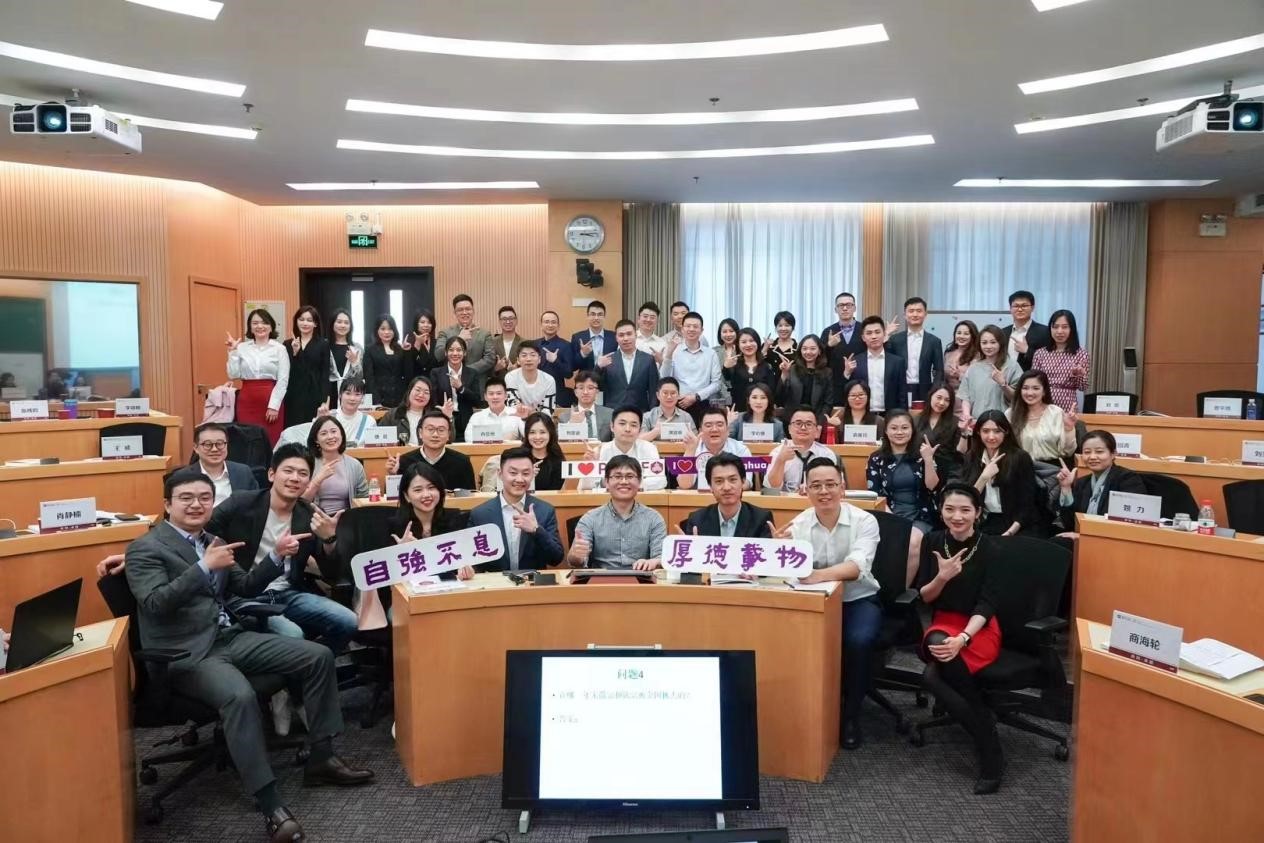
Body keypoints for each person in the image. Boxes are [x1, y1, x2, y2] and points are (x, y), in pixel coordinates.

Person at [125, 468, 373, 841]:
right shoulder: (145, 549)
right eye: (186, 498)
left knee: (318, 655)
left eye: (204, 498)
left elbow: (244, 586)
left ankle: (322, 757)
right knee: (239, 696)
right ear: (167, 504)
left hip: (229, 636)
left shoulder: (213, 540)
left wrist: (275, 557)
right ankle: (270, 803)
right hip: (187, 653)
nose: (196, 505)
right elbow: (156, 603)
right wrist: (203, 567)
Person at [207, 443, 357, 652]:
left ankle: (313, 661)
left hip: (288, 593)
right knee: (293, 635)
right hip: (244, 596)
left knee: (349, 621)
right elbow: (204, 529)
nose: (295, 478)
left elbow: (331, 574)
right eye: (288, 471)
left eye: (302, 474)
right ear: (271, 474)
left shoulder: (309, 514)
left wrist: (329, 539)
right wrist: (222, 555)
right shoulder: (242, 502)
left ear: (308, 482)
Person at [784, 457, 882, 749]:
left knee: (858, 641)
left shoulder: (865, 521)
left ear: (842, 487)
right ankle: (806, 710)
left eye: (830, 484)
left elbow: (856, 567)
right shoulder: (799, 524)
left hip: (857, 599)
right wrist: (777, 554)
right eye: (816, 485)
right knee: (790, 642)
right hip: (813, 602)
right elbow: (790, 570)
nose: (824, 491)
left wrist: (816, 575)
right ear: (805, 489)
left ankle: (850, 715)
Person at [916, 482, 1005, 794]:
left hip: (978, 626)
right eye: (950, 509)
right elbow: (925, 597)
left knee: (932, 676)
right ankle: (988, 740)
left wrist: (964, 638)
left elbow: (988, 604)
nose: (957, 516)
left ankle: (989, 747)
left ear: (978, 513)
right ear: (941, 511)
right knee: (938, 642)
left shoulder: (991, 548)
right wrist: (942, 577)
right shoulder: (932, 540)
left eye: (965, 510)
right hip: (943, 623)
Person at [867, 410, 939, 583]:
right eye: (894, 428)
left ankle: (902, 590)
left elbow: (932, 486)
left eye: (905, 428)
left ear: (912, 430)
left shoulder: (922, 455)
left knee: (913, 542)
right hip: (889, 514)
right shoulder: (876, 458)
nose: (899, 432)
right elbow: (876, 494)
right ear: (886, 431)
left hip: (921, 515)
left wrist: (929, 460)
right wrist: (894, 521)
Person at [467, 446, 565, 571]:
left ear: (532, 475)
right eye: (513, 473)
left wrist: (536, 530)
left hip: (532, 582)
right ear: (500, 474)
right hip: (495, 582)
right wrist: (468, 569)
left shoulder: (545, 510)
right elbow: (472, 559)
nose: (519, 479)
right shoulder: (480, 514)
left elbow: (556, 559)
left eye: (526, 473)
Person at [566, 455, 667, 571]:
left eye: (630, 476)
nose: (624, 481)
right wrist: (576, 555)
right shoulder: (590, 519)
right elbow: (574, 561)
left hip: (641, 578)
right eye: (617, 476)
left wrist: (653, 562)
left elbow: (660, 558)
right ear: (606, 482)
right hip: (600, 580)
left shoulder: (654, 518)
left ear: (639, 482)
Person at [960, 410, 1041, 537]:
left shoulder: (1020, 457)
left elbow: (1028, 503)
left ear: (1006, 432)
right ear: (978, 432)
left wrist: (1010, 532)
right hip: (985, 521)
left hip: (1017, 523)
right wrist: (984, 477)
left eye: (997, 431)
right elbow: (965, 501)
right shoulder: (971, 457)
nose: (991, 437)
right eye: (985, 431)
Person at [390, 460, 474, 582]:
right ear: (407, 496)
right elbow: (388, 577)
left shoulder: (455, 519)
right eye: (418, 490)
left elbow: (466, 560)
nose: (426, 495)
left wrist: (467, 569)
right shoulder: (395, 526)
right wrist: (400, 553)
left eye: (431, 488)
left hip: (449, 589)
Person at [1054, 430, 1147, 540]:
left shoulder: (1127, 479)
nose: (1092, 457)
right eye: (1087, 452)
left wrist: (1085, 537)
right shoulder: (1082, 482)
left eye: (1099, 452)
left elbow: (1129, 524)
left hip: (1112, 541)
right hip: (1080, 540)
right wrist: (1066, 488)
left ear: (1113, 454)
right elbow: (1069, 524)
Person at [227, 308, 290, 445]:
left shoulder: (279, 349)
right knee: (247, 440)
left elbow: (283, 380)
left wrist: (274, 406)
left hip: (270, 400)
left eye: (264, 322)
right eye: (255, 323)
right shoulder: (242, 347)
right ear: (250, 327)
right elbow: (233, 374)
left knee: (270, 441)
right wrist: (232, 352)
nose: (260, 326)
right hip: (247, 400)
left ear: (271, 326)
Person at [680, 452, 775, 538]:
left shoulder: (761, 519)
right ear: (710, 486)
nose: (726, 487)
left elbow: (766, 551)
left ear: (743, 481)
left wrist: (776, 545)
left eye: (732, 480)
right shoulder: (696, 520)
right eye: (719, 481)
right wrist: (691, 547)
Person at [580, 405, 667, 492]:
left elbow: (661, 480)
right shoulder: (600, 451)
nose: (627, 429)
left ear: (639, 430)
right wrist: (590, 464)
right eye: (622, 424)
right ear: (612, 426)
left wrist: (627, 484)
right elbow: (586, 487)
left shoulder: (649, 448)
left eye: (633, 425)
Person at [659, 311, 722, 425]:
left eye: (695, 326)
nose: (691, 329)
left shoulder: (711, 354)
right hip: (678, 403)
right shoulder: (673, 350)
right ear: (682, 329)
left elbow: (716, 383)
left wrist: (696, 396)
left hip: (702, 403)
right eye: (688, 326)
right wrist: (668, 355)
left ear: (701, 330)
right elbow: (664, 378)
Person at [389, 409, 477, 491]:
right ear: (420, 433)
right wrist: (393, 475)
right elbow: (395, 496)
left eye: (441, 430)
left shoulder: (462, 462)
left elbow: (470, 495)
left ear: (448, 435)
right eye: (430, 429)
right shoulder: (404, 461)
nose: (435, 434)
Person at [1008, 370, 1077, 465]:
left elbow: (1068, 451)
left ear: (1044, 391)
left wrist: (1068, 429)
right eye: (1025, 388)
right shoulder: (1010, 414)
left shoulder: (1056, 412)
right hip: (1021, 467)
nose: (1030, 393)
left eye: (1036, 388)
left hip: (1052, 468)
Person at [765, 406, 840, 493]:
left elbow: (833, 486)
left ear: (817, 431)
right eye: (798, 423)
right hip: (786, 501)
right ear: (789, 429)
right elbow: (772, 488)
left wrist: (812, 488)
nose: (803, 428)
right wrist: (780, 461)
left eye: (808, 424)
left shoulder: (826, 454)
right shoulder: (777, 452)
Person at [884, 297, 944, 405]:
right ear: (905, 315)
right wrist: (886, 335)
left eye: (919, 311)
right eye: (911, 311)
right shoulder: (895, 340)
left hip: (925, 390)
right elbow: (886, 363)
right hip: (900, 389)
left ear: (925, 314)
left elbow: (939, 370)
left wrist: (934, 390)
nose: (915, 314)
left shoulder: (934, 341)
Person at [303, 417, 369, 514]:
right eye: (324, 433)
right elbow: (300, 502)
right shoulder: (307, 464)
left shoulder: (354, 465)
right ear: (316, 440)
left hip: (346, 518)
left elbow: (364, 499)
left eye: (334, 431)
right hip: (313, 518)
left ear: (341, 434)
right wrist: (318, 480)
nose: (330, 437)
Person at [678, 406, 752, 491]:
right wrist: (690, 451)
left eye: (719, 425)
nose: (714, 429)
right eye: (708, 425)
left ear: (728, 430)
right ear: (700, 431)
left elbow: (746, 483)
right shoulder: (694, 448)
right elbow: (684, 485)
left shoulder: (740, 449)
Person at [1032, 309, 1090, 415]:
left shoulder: (1081, 354)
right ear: (1050, 329)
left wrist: (1079, 375)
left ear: (1072, 329)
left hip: (1067, 403)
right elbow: (1034, 381)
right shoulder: (1040, 353)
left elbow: (1083, 387)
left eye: (1064, 327)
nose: (1059, 331)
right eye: (1055, 327)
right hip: (1043, 401)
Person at [959, 325, 1023, 419]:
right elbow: (965, 396)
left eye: (993, 342)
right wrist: (966, 414)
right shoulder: (974, 368)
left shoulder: (1012, 366)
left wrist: (1003, 384)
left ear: (1000, 343)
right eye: (984, 343)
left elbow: (1019, 398)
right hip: (977, 421)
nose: (988, 346)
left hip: (1002, 421)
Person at [282, 306, 330, 428]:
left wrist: (324, 400)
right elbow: (286, 372)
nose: (305, 323)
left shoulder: (323, 344)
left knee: (313, 429)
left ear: (315, 324)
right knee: (293, 429)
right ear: (296, 321)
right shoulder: (287, 344)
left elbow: (325, 374)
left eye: (309, 320)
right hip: (293, 394)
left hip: (314, 394)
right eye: (301, 319)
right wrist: (295, 353)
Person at [847, 315, 906, 413]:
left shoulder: (897, 362)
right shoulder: (855, 361)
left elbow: (902, 394)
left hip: (890, 414)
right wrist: (847, 373)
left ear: (884, 334)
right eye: (869, 333)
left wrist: (901, 414)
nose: (874, 336)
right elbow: (849, 391)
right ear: (863, 337)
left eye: (877, 332)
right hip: (864, 414)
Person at [598, 319, 658, 413]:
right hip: (613, 412)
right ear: (616, 338)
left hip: (640, 412)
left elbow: (653, 390)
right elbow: (597, 386)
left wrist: (653, 413)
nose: (625, 338)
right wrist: (598, 367)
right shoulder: (608, 360)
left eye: (629, 334)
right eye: (621, 335)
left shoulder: (648, 360)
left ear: (636, 335)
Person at [191, 422, 258, 505]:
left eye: (220, 443)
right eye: (208, 444)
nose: (214, 449)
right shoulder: (183, 477)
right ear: (196, 448)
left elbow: (256, 505)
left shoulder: (243, 472)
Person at [431, 335, 483, 441]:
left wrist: (461, 388)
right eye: (451, 350)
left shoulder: (472, 373)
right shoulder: (436, 373)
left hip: (466, 421)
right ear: (445, 353)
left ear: (465, 353)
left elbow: (477, 401)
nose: (455, 353)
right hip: (443, 419)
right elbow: (434, 401)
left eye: (459, 350)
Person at [774, 334, 834, 416]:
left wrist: (820, 422)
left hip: (816, 419)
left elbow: (828, 403)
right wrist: (785, 374)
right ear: (800, 351)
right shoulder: (792, 369)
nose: (808, 352)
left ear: (819, 351)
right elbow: (779, 398)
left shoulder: (827, 372)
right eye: (804, 349)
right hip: (792, 419)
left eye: (812, 349)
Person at [435, 294, 496, 375]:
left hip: (477, 380)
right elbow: (438, 355)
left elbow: (490, 359)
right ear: (455, 313)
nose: (464, 312)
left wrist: (465, 371)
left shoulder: (484, 334)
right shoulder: (445, 332)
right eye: (460, 310)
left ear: (473, 311)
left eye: (468, 309)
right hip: (450, 379)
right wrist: (459, 339)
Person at [362, 314, 410, 410]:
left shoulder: (400, 348)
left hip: (399, 398)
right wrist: (377, 401)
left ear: (394, 330)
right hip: (379, 398)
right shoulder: (370, 349)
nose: (386, 332)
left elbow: (407, 373)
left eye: (390, 329)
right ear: (377, 330)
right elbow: (369, 378)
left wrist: (407, 352)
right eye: (383, 329)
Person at [728, 327, 776, 413]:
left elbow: (772, 391)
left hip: (762, 413)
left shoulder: (767, 366)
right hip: (739, 413)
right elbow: (726, 381)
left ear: (757, 342)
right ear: (738, 345)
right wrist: (726, 367)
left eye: (751, 341)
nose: (748, 344)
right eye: (743, 342)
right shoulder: (733, 365)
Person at [1002, 290, 1051, 371]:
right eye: (1016, 306)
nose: (1020, 309)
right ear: (1010, 308)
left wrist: (1028, 351)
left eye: (1024, 306)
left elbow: (1050, 361)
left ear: (1032, 307)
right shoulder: (1003, 332)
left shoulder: (1045, 332)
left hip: (1031, 377)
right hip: (1004, 377)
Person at [536, 310, 576, 408]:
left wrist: (555, 361)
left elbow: (569, 374)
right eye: (547, 322)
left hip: (557, 395)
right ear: (541, 325)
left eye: (553, 322)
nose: (550, 325)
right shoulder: (534, 344)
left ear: (558, 326)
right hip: (535, 394)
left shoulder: (565, 345)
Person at [465, 378, 525, 442]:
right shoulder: (477, 417)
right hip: (484, 449)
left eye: (499, 393)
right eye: (491, 394)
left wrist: (524, 419)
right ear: (485, 397)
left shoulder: (516, 414)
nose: (495, 397)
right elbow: (469, 439)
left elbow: (527, 434)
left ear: (506, 396)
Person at [319, 377, 374, 446]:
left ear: (363, 397)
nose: (352, 398)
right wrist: (320, 421)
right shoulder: (328, 416)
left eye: (357, 394)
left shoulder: (369, 421)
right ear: (340, 395)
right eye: (348, 393)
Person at [504, 341, 557, 413]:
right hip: (518, 417)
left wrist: (534, 415)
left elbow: (548, 409)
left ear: (539, 359)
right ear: (518, 360)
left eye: (533, 355)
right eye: (524, 355)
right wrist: (530, 412)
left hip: (541, 418)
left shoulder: (549, 380)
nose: (528, 359)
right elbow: (513, 405)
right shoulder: (511, 377)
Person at [640, 377, 698, 441]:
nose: (669, 397)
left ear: (678, 395)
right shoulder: (648, 417)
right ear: (658, 395)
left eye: (673, 393)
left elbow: (696, 441)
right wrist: (655, 431)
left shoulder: (686, 417)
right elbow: (639, 440)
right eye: (665, 393)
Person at [325, 307, 363, 406]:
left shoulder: (356, 347)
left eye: (346, 323)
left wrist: (354, 363)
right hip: (327, 393)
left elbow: (360, 377)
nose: (343, 325)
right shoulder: (324, 345)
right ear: (332, 324)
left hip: (350, 393)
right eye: (339, 322)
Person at [821, 291, 867, 372]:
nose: (845, 308)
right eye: (841, 305)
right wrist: (829, 346)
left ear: (854, 308)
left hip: (860, 376)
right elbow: (820, 357)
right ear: (836, 309)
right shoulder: (828, 331)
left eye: (848, 305)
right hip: (835, 377)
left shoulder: (865, 329)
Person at [570, 300, 617, 378]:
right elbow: (573, 366)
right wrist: (583, 354)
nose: (596, 318)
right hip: (586, 381)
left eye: (600, 314)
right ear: (587, 316)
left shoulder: (614, 337)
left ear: (604, 316)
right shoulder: (578, 337)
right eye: (593, 314)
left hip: (609, 381)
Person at [563, 371, 613, 442]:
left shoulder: (610, 414)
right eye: (581, 388)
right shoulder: (565, 417)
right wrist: (572, 424)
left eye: (590, 388)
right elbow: (560, 443)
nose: (585, 392)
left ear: (597, 392)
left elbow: (616, 440)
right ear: (575, 392)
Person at [523, 411, 565, 491]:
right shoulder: (517, 458)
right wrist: (527, 477)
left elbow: (554, 493)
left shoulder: (558, 461)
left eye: (542, 432)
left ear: (550, 433)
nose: (537, 437)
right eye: (532, 432)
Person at [400, 309, 439, 382]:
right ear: (416, 324)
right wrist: (417, 345)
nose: (426, 325)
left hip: (433, 384)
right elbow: (408, 369)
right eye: (422, 322)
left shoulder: (437, 342)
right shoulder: (409, 343)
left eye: (429, 322)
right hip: (416, 383)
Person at [943, 320, 982, 391]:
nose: (961, 336)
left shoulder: (978, 356)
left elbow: (978, 381)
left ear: (972, 336)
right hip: (948, 394)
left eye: (966, 334)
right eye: (959, 333)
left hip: (968, 394)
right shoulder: (948, 353)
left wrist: (959, 375)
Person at [491, 305, 525, 374]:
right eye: (504, 319)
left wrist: (517, 369)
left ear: (516, 321)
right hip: (497, 380)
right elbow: (485, 370)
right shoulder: (491, 342)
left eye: (511, 318)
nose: (508, 322)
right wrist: (496, 368)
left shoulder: (524, 343)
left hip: (517, 380)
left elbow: (530, 367)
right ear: (499, 321)